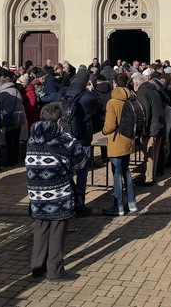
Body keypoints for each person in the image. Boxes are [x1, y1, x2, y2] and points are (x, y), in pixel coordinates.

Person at [26, 102, 88, 282]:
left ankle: (37, 267)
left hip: (36, 192)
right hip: (58, 193)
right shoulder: (66, 139)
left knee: (41, 227)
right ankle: (55, 271)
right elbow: (81, 163)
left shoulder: (32, 138)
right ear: (59, 120)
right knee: (57, 231)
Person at [58, 67, 100, 214]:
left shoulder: (63, 93)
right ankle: (79, 205)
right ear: (87, 80)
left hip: (64, 138)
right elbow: (99, 107)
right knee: (82, 173)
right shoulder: (89, 96)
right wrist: (92, 90)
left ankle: (66, 203)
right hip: (83, 138)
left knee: (66, 172)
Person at [101, 73, 138, 215]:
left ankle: (119, 206)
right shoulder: (131, 98)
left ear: (115, 84)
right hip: (129, 138)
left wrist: (104, 131)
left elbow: (110, 126)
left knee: (116, 173)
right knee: (126, 171)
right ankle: (132, 203)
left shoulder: (113, 102)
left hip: (116, 140)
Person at [133, 74, 165, 187]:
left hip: (152, 127)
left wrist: (144, 129)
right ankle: (152, 175)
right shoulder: (153, 89)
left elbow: (145, 111)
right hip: (159, 125)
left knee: (149, 153)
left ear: (136, 84)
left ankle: (148, 178)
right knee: (154, 152)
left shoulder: (142, 92)